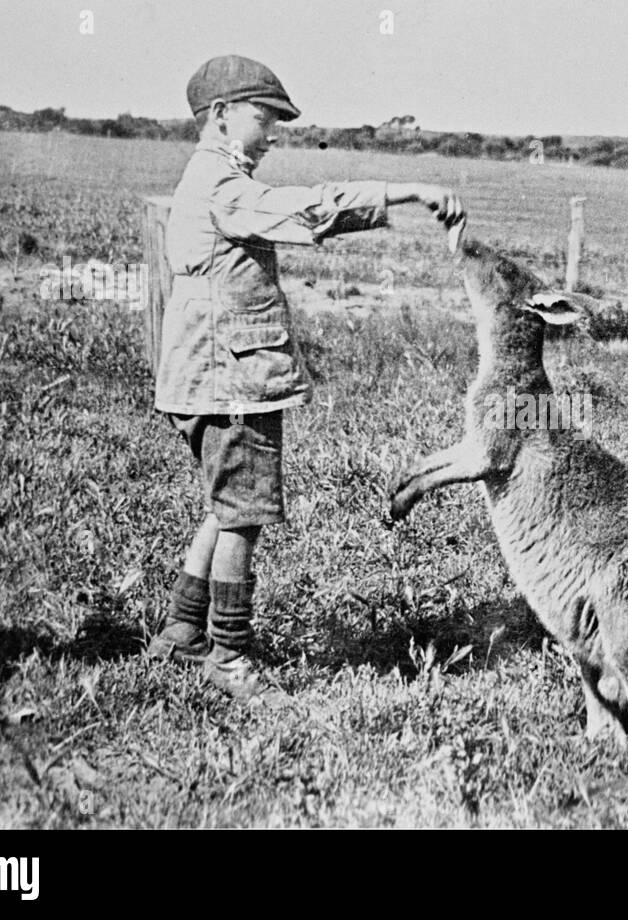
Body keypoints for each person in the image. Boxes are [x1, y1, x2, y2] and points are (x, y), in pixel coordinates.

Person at [146, 55, 464, 699]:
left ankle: (182, 631)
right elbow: (306, 211)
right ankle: (228, 659)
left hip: (207, 375)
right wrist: (403, 190)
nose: (273, 134)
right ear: (221, 115)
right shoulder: (223, 186)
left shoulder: (207, 177)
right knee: (242, 516)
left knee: (227, 504)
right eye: (264, 118)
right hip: (229, 381)